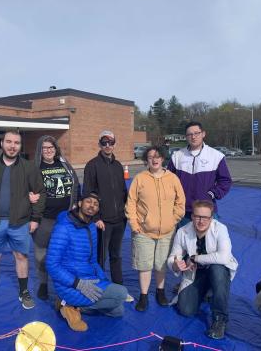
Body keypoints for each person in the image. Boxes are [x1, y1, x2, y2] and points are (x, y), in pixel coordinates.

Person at [0, 130, 46, 313]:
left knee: (21, 257)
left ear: (20, 146)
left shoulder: (29, 168)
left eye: (16, 143)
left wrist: (35, 218)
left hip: (20, 222)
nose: (12, 146)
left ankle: (24, 292)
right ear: (2, 143)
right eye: (9, 142)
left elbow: (40, 193)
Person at [46, 192, 128, 332]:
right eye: (88, 201)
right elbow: (51, 265)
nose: (92, 206)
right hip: (71, 284)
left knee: (118, 310)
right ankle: (66, 302)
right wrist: (78, 283)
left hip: (89, 278)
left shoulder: (90, 226)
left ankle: (74, 306)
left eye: (96, 204)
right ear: (79, 203)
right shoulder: (64, 228)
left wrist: (104, 280)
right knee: (121, 293)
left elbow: (93, 260)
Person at [125, 146, 186, 312]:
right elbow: (131, 202)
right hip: (143, 232)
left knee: (161, 264)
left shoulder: (172, 178)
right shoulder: (140, 178)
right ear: (147, 160)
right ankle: (143, 296)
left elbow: (180, 203)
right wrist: (135, 224)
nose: (154, 159)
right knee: (145, 264)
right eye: (151, 156)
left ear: (163, 159)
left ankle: (160, 292)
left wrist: (172, 220)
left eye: (157, 156)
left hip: (167, 232)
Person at [167, 200, 238, 340]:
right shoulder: (183, 231)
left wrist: (195, 258)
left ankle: (220, 318)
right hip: (196, 273)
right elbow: (173, 257)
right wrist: (176, 264)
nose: (201, 221)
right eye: (198, 216)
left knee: (218, 270)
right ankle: (206, 291)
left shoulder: (220, 229)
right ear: (192, 216)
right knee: (186, 310)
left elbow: (224, 257)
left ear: (211, 218)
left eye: (205, 217)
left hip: (217, 271)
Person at [30, 135, 81, 300]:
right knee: (41, 253)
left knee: (65, 253)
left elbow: (76, 185)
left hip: (65, 218)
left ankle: (64, 283)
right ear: (40, 150)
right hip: (45, 218)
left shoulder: (65, 165)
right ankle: (44, 284)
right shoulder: (35, 168)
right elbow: (25, 189)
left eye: (51, 147)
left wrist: (75, 203)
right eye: (44, 148)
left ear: (55, 148)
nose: (48, 150)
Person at [83, 130, 130, 297]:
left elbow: (124, 192)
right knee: (100, 258)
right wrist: (95, 218)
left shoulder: (118, 166)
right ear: (99, 144)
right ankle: (101, 290)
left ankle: (120, 290)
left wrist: (128, 211)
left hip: (120, 220)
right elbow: (87, 194)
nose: (108, 145)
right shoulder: (92, 165)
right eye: (104, 142)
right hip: (102, 222)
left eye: (110, 142)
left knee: (116, 256)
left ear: (115, 144)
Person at [167, 121, 232, 226]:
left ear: (203, 134)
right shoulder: (177, 156)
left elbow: (225, 181)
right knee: (184, 241)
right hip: (183, 212)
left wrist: (212, 194)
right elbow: (167, 181)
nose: (193, 137)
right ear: (186, 137)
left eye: (196, 133)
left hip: (206, 210)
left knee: (208, 242)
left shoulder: (216, 156)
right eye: (189, 134)